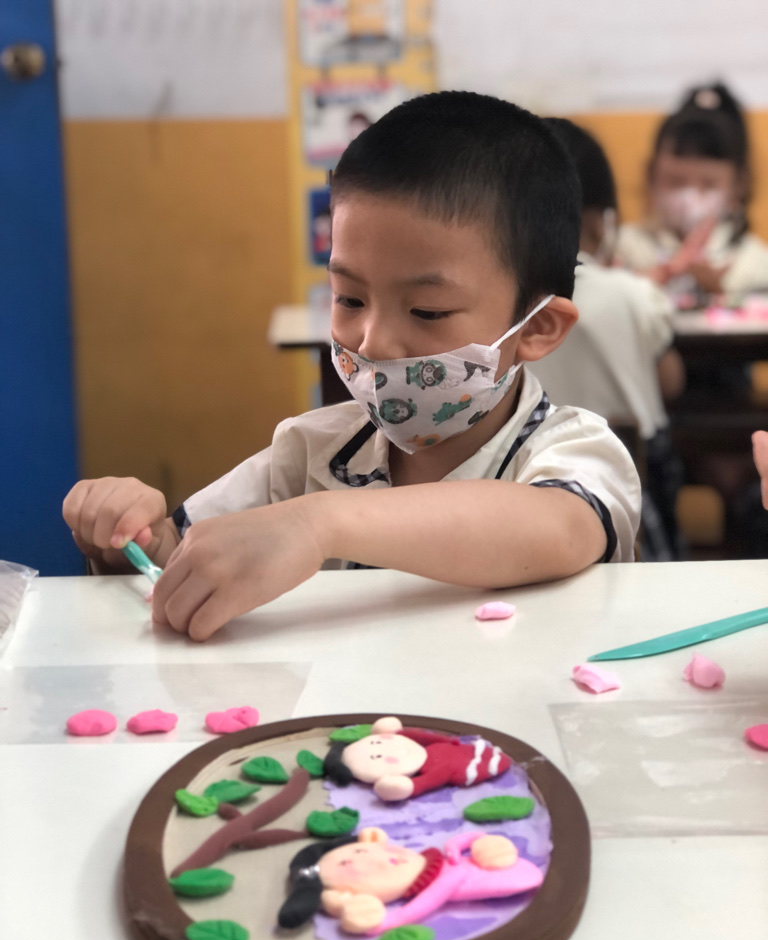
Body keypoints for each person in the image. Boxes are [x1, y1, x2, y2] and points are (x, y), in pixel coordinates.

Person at [62, 92, 640, 641]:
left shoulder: (574, 451)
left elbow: (558, 526)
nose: (373, 340)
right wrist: (134, 542)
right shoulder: (307, 455)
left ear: (537, 327)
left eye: (427, 310)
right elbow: (183, 565)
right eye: (350, 299)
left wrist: (318, 525)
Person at [534, 118, 685, 559]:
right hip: (631, 483)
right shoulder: (633, 293)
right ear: (602, 220)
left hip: (523, 478)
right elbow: (671, 381)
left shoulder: (496, 297)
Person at [616, 82, 768, 300]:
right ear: (651, 176)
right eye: (675, 181)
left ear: (738, 186)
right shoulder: (621, 248)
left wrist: (720, 295)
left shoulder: (756, 263)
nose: (690, 197)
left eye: (709, 184)